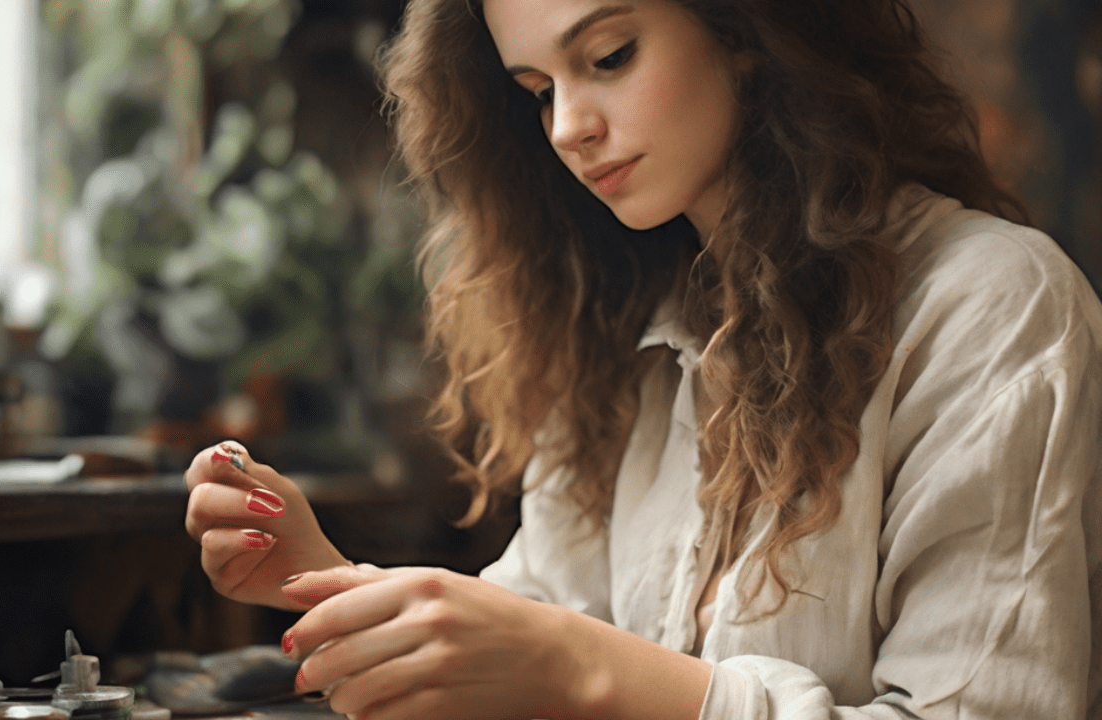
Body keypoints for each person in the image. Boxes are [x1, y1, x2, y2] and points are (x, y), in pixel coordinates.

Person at [183, 0, 1102, 717]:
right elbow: (521, 636)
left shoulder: (993, 305)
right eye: (538, 89)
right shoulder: (623, 334)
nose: (566, 127)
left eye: (609, 57)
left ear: (747, 31)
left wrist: (583, 670)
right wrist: (327, 582)